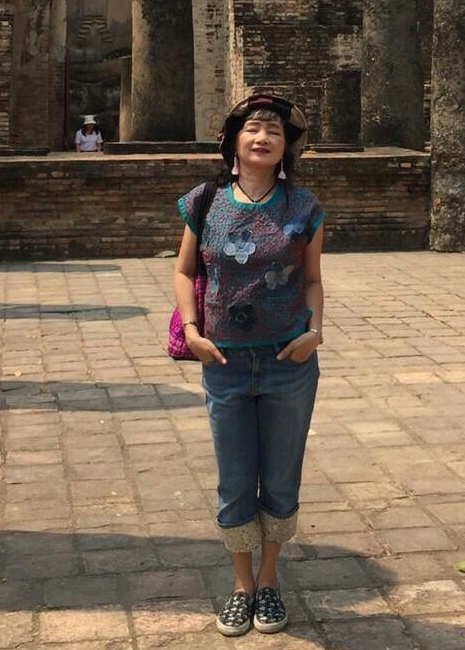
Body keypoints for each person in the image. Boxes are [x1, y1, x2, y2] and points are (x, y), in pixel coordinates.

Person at [174, 93, 325, 637]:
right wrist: (192, 330)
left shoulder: (303, 206)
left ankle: (268, 581)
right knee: (235, 480)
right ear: (234, 141)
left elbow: (313, 279)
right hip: (226, 362)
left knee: (281, 478)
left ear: (287, 148)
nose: (263, 138)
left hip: (288, 362)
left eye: (274, 132)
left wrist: (314, 333)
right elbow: (184, 271)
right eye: (253, 129)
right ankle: (241, 586)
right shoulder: (205, 200)